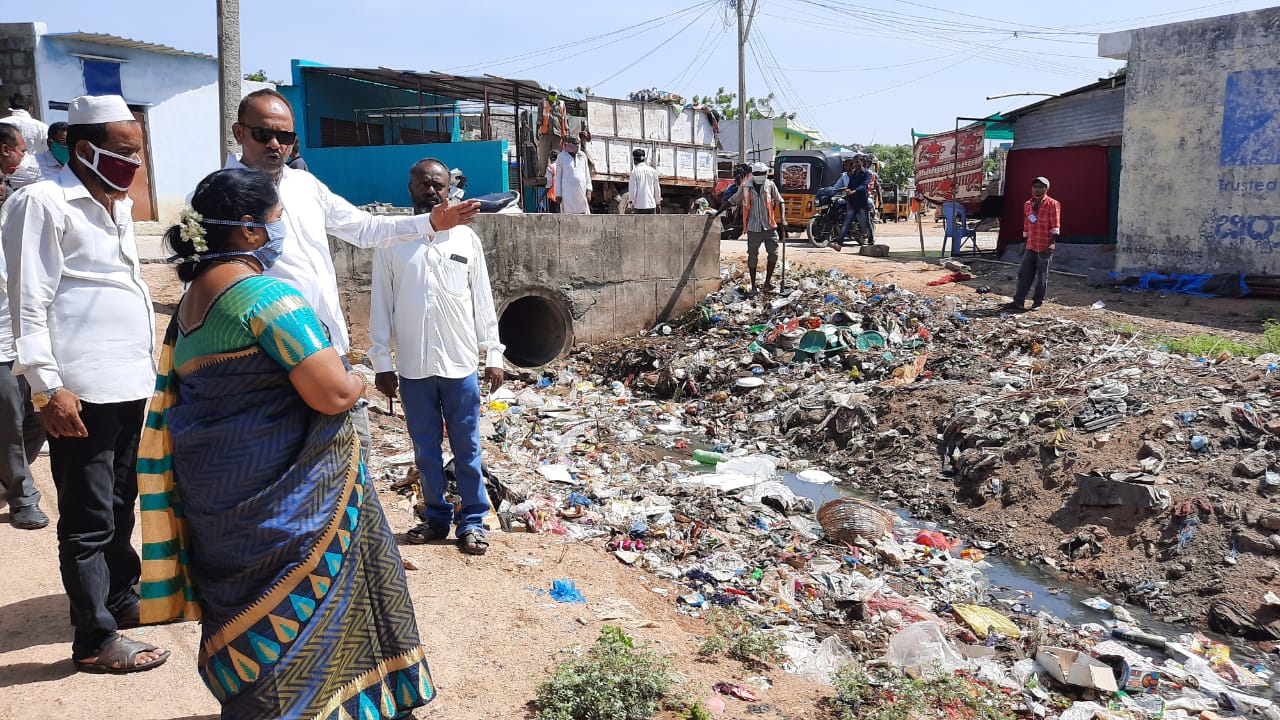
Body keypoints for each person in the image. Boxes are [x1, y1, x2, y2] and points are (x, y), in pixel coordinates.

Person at [137, 167, 433, 717]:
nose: (281, 233)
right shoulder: (264, 296)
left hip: (222, 501)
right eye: (277, 222)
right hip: (290, 502)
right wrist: (360, 376)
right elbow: (333, 393)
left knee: (249, 615)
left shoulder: (190, 305)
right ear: (249, 231)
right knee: (314, 609)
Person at [1, 94, 168, 673]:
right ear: (82, 147)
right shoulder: (41, 202)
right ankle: (93, 640)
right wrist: (47, 389)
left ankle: (119, 601)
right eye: (123, 152)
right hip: (79, 389)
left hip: (127, 383)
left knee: (122, 500)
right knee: (88, 515)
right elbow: (29, 302)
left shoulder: (115, 205)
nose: (133, 163)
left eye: (137, 152)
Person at [223, 88, 479, 465]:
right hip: (267, 354)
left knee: (346, 458)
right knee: (282, 464)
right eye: (264, 134)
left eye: (287, 137)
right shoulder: (221, 192)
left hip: (326, 343)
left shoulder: (304, 185)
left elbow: (364, 229)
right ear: (239, 133)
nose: (276, 145)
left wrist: (429, 222)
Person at [370, 158, 505, 556]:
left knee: (468, 447)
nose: (432, 191)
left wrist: (493, 352)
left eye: (439, 186)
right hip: (413, 368)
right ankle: (435, 518)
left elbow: (483, 300)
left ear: (450, 190)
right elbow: (381, 305)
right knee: (425, 449)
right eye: (424, 184)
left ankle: (473, 522)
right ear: (410, 188)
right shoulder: (392, 241)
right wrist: (382, 363)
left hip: (460, 363)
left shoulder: (466, 241)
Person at [0, 122, 47, 531]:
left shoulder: (17, 205)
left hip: (26, 332)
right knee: (10, 420)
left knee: (38, 417)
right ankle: (21, 495)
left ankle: (11, 475)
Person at [725, 162, 784, 294]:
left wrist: (784, 219)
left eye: (762, 173)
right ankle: (753, 286)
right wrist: (718, 212)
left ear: (765, 173)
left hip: (769, 226)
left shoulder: (770, 185)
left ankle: (767, 283)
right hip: (753, 227)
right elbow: (733, 200)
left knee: (773, 254)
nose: (760, 176)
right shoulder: (745, 187)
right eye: (757, 173)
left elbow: (780, 200)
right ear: (753, 174)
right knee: (753, 256)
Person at [1005, 176, 1061, 312]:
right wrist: (1025, 243)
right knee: (1024, 274)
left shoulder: (1052, 204)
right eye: (1035, 186)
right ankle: (1018, 301)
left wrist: (1052, 243)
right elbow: (1026, 224)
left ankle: (1037, 302)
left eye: (1041, 187)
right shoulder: (1027, 204)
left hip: (1044, 246)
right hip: (1031, 245)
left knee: (1042, 276)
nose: (1037, 189)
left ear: (1046, 189)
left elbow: (1055, 225)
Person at [1, 92, 48, 190]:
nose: (23, 156)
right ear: (30, 109)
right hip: (34, 180)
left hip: (4, 180)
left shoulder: (2, 123)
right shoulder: (41, 127)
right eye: (23, 151)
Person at [829, 156, 873, 251]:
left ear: (861, 162)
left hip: (862, 202)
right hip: (852, 202)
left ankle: (871, 240)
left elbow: (863, 186)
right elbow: (849, 186)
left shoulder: (866, 174)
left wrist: (854, 191)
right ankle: (839, 244)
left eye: (857, 162)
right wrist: (848, 197)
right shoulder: (852, 175)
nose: (856, 164)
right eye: (854, 162)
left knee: (866, 223)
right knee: (846, 223)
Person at [555, 135, 592, 214]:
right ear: (569, 144)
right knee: (569, 216)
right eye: (575, 144)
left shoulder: (582, 156)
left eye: (578, 144)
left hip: (581, 193)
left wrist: (589, 190)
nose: (577, 146)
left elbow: (587, 174)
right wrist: (558, 194)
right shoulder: (561, 157)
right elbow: (558, 177)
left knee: (583, 214)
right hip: (567, 194)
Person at [537, 85, 568, 173]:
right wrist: (538, 129)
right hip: (545, 132)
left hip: (557, 133)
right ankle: (543, 174)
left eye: (554, 93)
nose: (553, 95)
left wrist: (566, 132)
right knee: (544, 155)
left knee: (558, 156)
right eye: (551, 93)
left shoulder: (561, 104)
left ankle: (557, 174)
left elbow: (564, 118)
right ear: (548, 93)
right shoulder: (542, 102)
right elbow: (539, 117)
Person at [627, 148, 661, 214]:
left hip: (639, 207)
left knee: (639, 224)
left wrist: (630, 205)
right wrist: (658, 203)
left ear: (634, 160)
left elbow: (633, 191)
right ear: (643, 159)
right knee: (651, 224)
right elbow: (657, 189)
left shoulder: (634, 172)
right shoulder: (653, 171)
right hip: (651, 206)